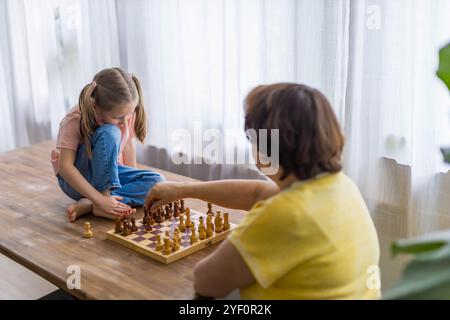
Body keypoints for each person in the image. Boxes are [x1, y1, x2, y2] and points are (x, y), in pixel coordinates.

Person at [145, 83, 380, 299]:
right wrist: (182, 189)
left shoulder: (288, 215)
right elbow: (256, 193)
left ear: (270, 146)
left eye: (252, 139)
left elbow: (206, 282)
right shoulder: (341, 186)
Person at [51, 67, 164, 222]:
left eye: (129, 115)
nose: (125, 122)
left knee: (158, 182)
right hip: (78, 180)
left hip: (112, 177)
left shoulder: (124, 113)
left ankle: (94, 205)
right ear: (95, 106)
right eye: (118, 118)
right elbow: (65, 167)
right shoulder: (75, 118)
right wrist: (100, 197)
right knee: (110, 132)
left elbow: (128, 145)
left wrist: (134, 181)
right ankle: (101, 199)